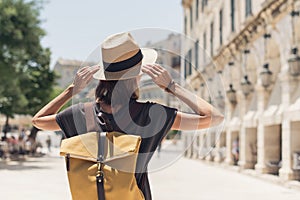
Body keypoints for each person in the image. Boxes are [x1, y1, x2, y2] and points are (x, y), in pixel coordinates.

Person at [32, 32, 224, 200]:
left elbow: (38, 121)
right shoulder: (150, 115)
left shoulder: (81, 113)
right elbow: (213, 117)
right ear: (137, 76)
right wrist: (172, 87)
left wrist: (71, 90)